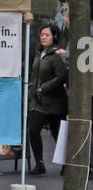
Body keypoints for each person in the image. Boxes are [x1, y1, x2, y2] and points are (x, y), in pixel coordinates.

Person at [27, 23, 67, 174]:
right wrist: (32, 89)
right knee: (33, 129)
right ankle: (40, 164)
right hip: (38, 101)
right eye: (42, 34)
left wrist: (45, 87)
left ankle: (66, 165)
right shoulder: (39, 53)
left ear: (54, 37)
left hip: (55, 102)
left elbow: (62, 76)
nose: (43, 37)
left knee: (58, 135)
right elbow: (35, 74)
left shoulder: (57, 54)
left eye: (47, 35)